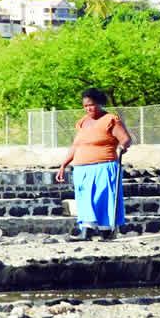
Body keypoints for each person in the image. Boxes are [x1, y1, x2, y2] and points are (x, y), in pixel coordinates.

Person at [55, 88, 132, 240]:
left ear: (100, 103)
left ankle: (105, 231)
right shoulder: (83, 122)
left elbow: (126, 139)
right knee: (84, 199)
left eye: (91, 104)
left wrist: (123, 146)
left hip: (104, 165)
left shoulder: (110, 119)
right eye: (85, 106)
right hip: (82, 168)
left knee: (102, 198)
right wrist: (63, 165)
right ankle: (86, 231)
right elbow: (76, 145)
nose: (89, 108)